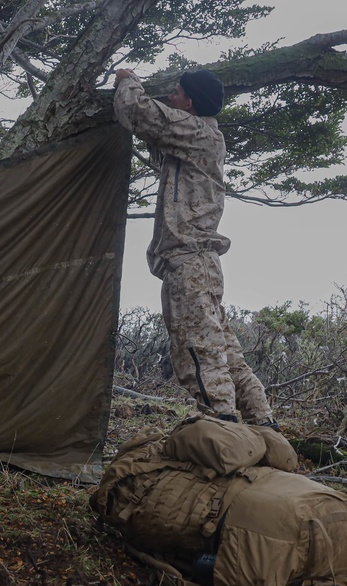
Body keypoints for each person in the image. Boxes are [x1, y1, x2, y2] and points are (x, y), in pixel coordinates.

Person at [113, 68, 276, 427]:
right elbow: (157, 137)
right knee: (224, 349)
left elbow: (137, 111)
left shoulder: (199, 131)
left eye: (176, 92)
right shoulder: (197, 139)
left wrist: (126, 78)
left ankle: (221, 423)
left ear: (190, 102)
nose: (170, 97)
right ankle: (262, 423)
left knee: (196, 349)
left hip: (189, 262)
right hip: (202, 263)